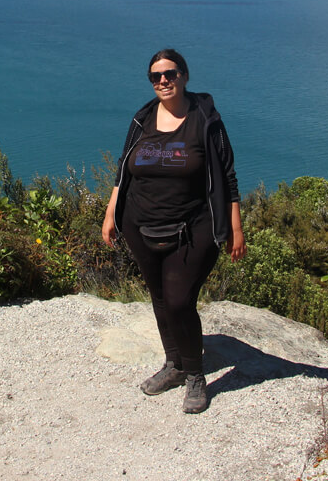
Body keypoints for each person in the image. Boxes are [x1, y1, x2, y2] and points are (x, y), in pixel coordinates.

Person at [101, 48, 245, 414]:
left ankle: (195, 375)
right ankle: (174, 364)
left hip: (193, 227)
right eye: (155, 76)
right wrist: (111, 213)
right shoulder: (142, 118)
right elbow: (123, 169)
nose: (162, 81)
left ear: (184, 75)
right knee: (161, 298)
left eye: (170, 73)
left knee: (180, 301)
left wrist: (236, 226)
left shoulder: (205, 118)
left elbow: (227, 174)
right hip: (140, 223)